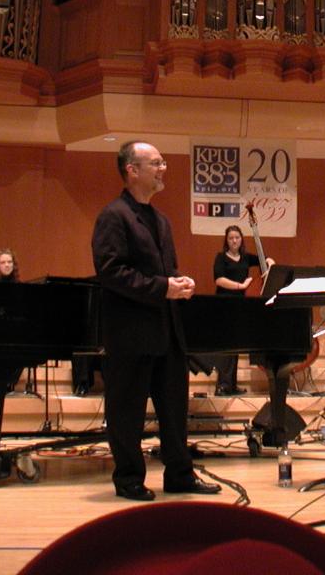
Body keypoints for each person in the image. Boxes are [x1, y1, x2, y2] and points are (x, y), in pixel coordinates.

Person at [91, 140, 220, 501]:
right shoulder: (113, 216)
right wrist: (164, 287)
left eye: (163, 162)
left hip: (167, 332)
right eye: (156, 163)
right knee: (127, 411)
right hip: (131, 334)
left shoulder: (160, 220)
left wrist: (179, 282)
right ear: (132, 170)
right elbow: (111, 272)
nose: (163, 168)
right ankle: (129, 478)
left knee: (174, 411)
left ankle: (180, 475)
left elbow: (162, 271)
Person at [211, 225, 262, 396]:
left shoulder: (246, 257)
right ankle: (223, 385)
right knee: (226, 346)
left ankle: (232, 385)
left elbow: (265, 260)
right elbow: (219, 280)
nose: (234, 241)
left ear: (241, 239)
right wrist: (241, 285)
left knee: (235, 345)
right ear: (226, 240)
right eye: (231, 238)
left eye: (237, 237)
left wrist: (270, 261)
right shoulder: (221, 258)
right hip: (225, 304)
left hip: (240, 305)